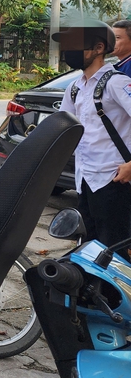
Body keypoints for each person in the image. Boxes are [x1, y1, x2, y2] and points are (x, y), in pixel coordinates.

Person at [55, 20, 131, 251]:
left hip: (114, 179)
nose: (69, 51)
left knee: (114, 251)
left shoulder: (118, 83)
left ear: (99, 48)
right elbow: (61, 129)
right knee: (89, 248)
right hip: (85, 178)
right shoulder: (75, 88)